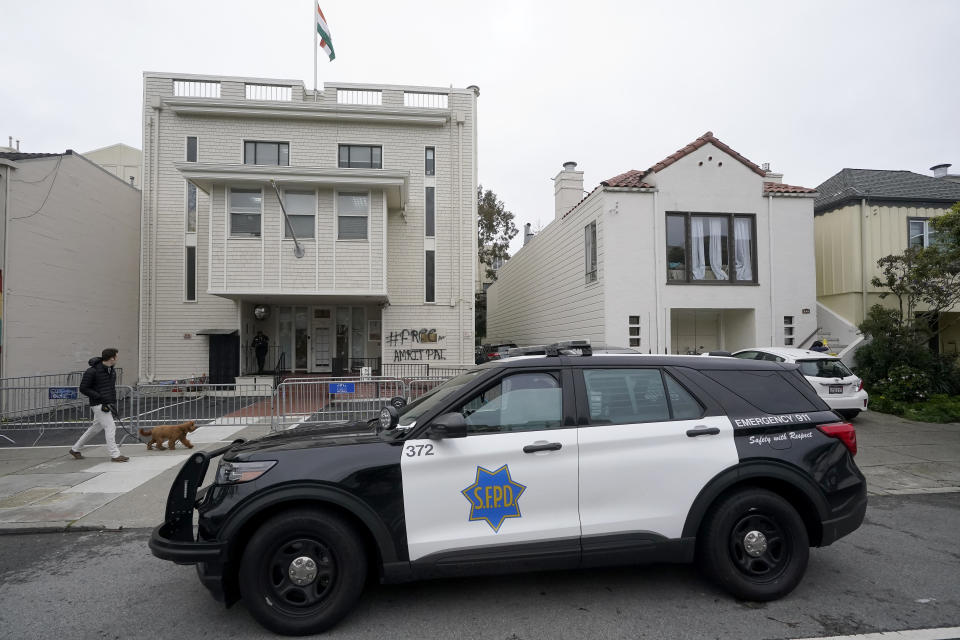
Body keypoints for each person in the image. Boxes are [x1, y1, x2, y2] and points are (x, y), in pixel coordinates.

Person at [69, 348, 128, 462]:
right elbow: (83, 388)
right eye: (116, 356)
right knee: (110, 427)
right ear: (112, 358)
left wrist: (112, 402)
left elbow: (110, 388)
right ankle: (115, 455)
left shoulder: (111, 370)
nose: (117, 358)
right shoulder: (92, 371)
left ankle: (75, 449)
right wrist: (99, 396)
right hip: (98, 404)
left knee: (95, 428)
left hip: (107, 403)